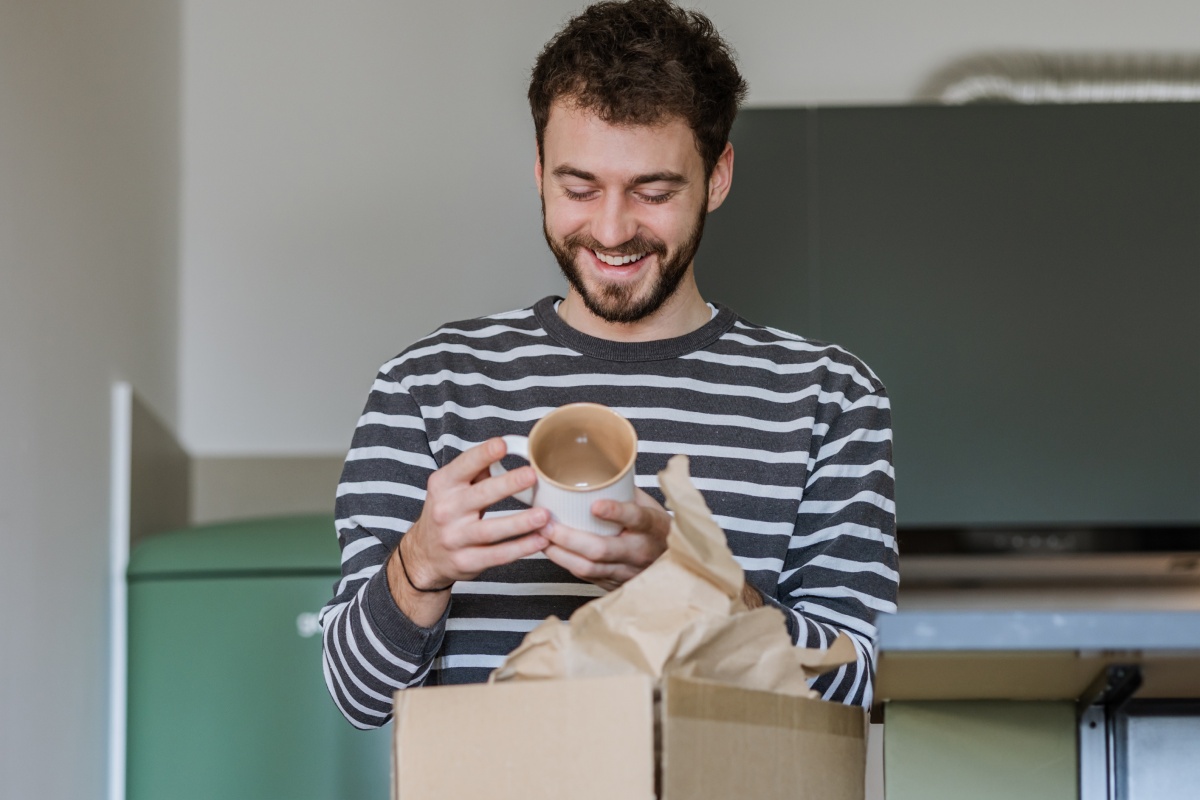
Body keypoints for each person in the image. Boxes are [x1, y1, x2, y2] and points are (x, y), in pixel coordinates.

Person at [320, 0, 897, 730]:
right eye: (579, 188)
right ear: (537, 171)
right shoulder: (428, 387)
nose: (613, 229)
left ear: (717, 177)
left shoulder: (828, 398)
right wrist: (421, 564)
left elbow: (851, 691)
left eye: (653, 191)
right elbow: (356, 695)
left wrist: (690, 579)